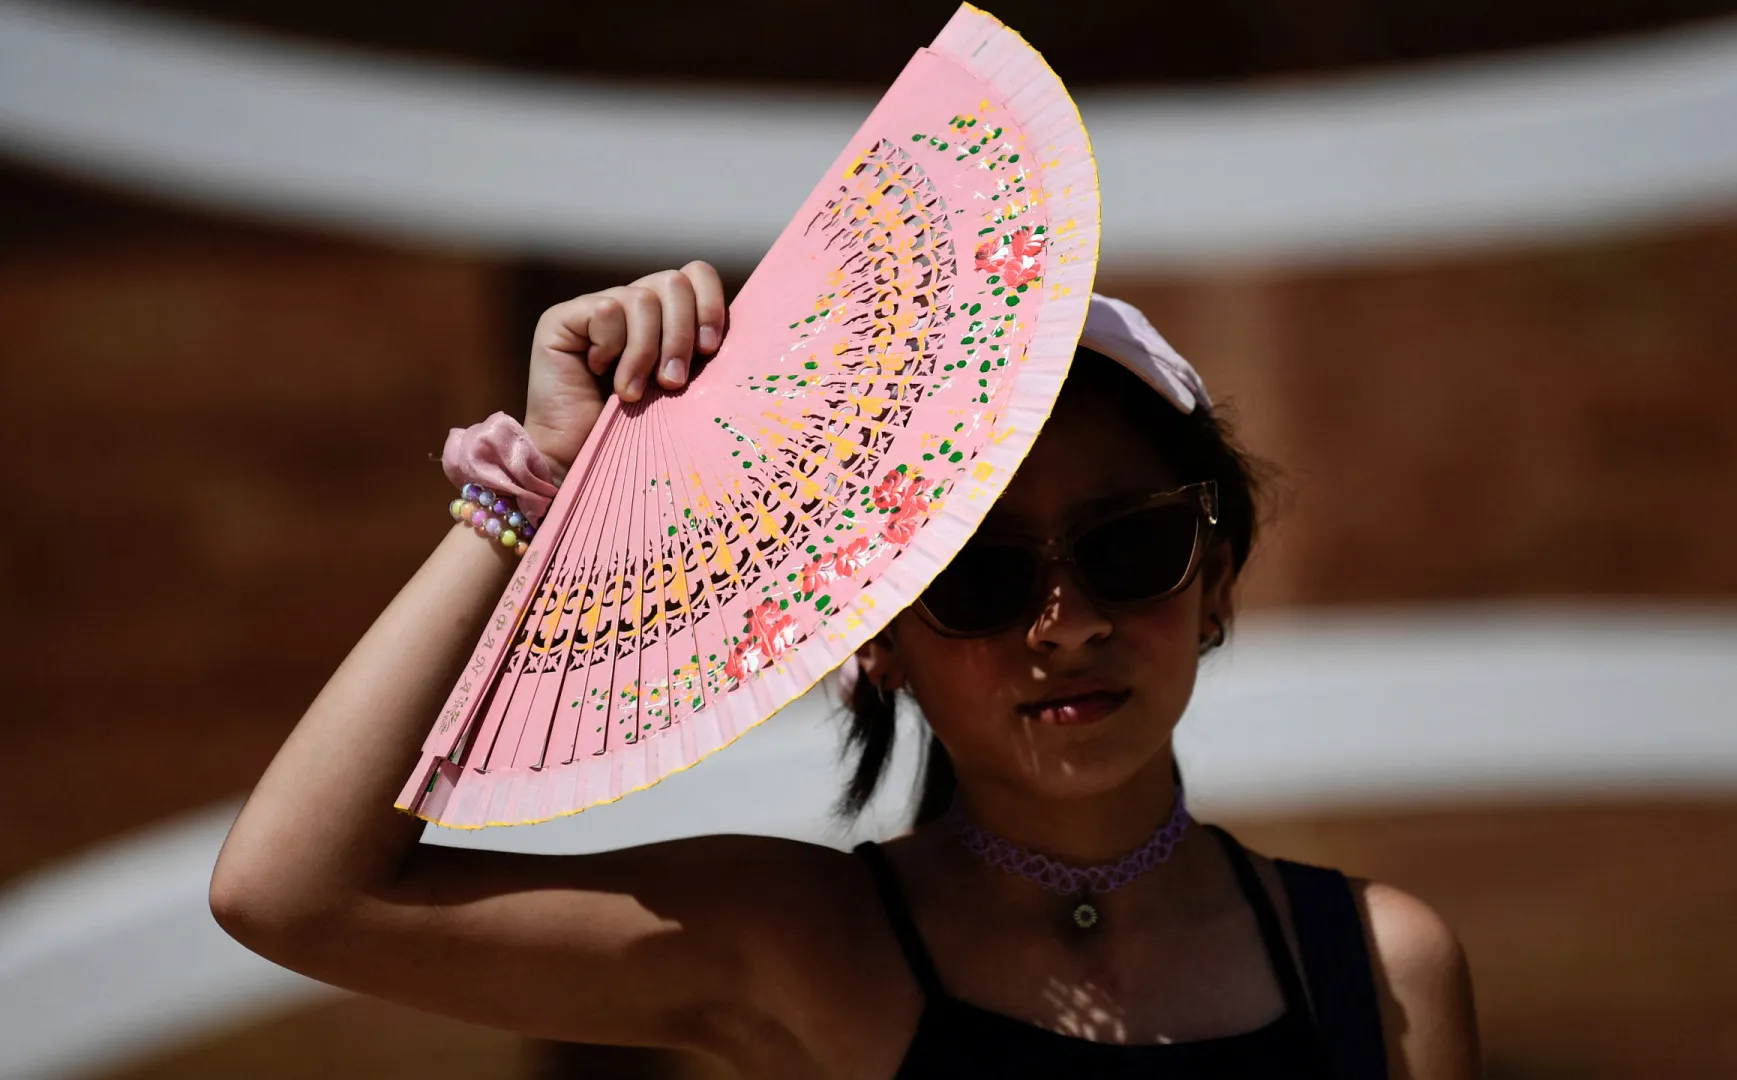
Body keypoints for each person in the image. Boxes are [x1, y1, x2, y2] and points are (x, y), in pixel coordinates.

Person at [211, 261, 1482, 1079]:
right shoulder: (803, 945)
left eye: (1131, 547)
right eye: (978, 575)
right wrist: (533, 497)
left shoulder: (1382, 963)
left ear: (1210, 574)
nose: (1067, 622)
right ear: (872, 642)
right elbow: (287, 893)